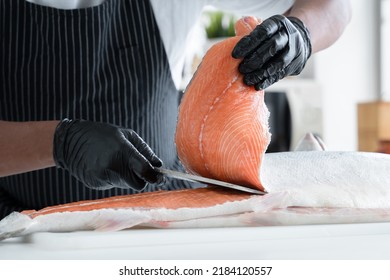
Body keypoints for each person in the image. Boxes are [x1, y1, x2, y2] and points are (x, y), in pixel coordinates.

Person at [0, 0, 351, 219]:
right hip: (13, 232)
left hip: (156, 227)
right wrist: (59, 142)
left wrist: (300, 32)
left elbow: (334, 6)